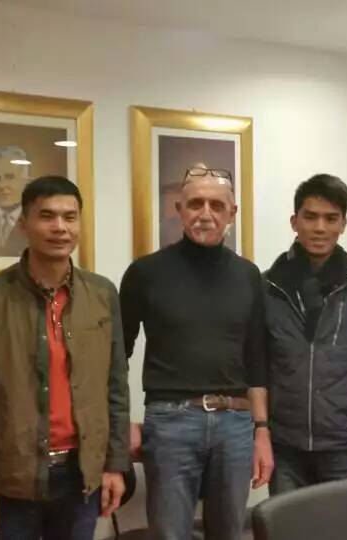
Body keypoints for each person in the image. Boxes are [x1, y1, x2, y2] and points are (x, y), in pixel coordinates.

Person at [0, 176, 129, 540]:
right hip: (12, 478)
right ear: (23, 224)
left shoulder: (102, 294)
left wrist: (115, 464)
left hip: (81, 475)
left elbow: (115, 388)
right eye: (47, 216)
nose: (60, 227)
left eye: (70, 217)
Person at [120, 165, 273, 540]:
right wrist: (120, 422)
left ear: (232, 213)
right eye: (196, 204)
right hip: (170, 422)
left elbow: (256, 360)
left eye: (217, 205)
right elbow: (116, 356)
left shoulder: (248, 275)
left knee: (230, 533)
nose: (206, 214)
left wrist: (262, 431)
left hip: (235, 424)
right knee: (170, 533)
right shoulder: (145, 273)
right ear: (179, 209)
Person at [263, 174, 347, 494]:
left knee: (341, 521)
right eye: (310, 217)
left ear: (343, 224)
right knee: (287, 522)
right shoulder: (266, 287)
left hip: (346, 445)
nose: (319, 227)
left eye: (331, 218)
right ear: (294, 222)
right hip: (285, 445)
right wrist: (259, 432)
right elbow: (257, 366)